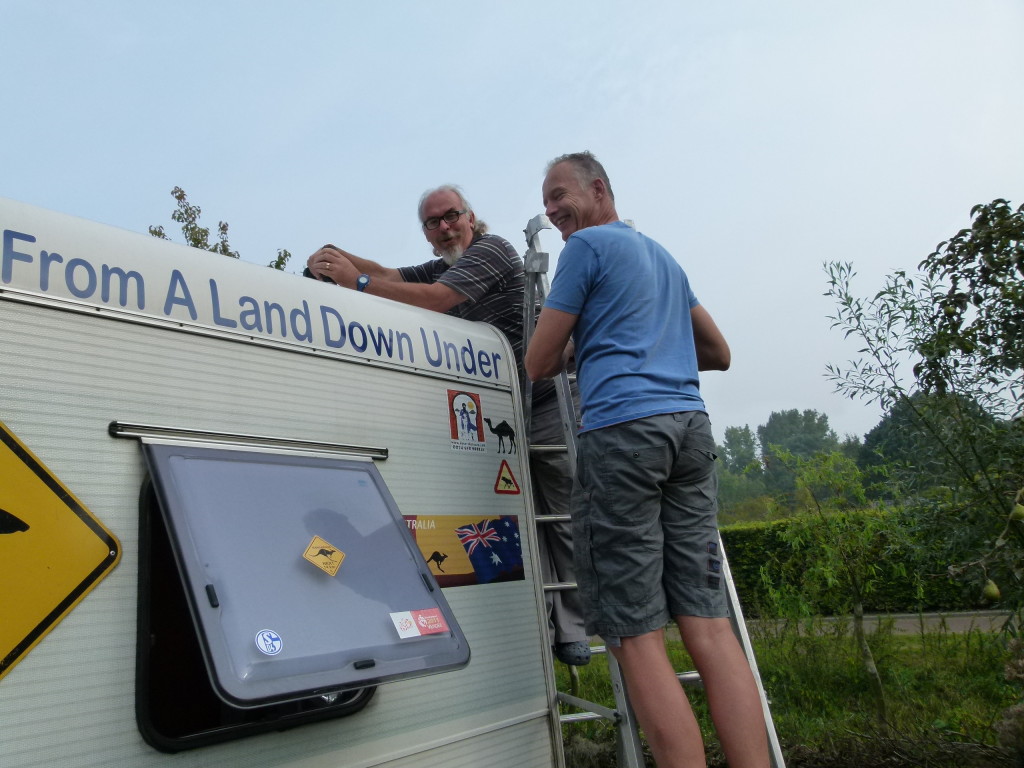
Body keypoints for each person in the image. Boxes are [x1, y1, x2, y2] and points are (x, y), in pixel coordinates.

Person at [525, 152, 770, 768]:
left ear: (599, 189)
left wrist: (585, 345)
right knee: (710, 628)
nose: (553, 209)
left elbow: (537, 361)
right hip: (689, 431)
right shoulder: (662, 257)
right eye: (547, 200)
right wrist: (649, 345)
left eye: (560, 195)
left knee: (635, 637)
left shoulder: (585, 250)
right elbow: (718, 352)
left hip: (624, 435)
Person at [305, 184, 591, 666]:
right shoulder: (445, 264)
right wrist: (336, 258)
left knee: (560, 512)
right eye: (433, 223)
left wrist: (355, 283)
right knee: (520, 519)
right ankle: (546, 623)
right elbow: (390, 275)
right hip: (504, 411)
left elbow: (436, 299)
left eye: (451, 216)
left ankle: (578, 626)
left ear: (471, 217)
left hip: (545, 401)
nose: (444, 227)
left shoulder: (491, 251)